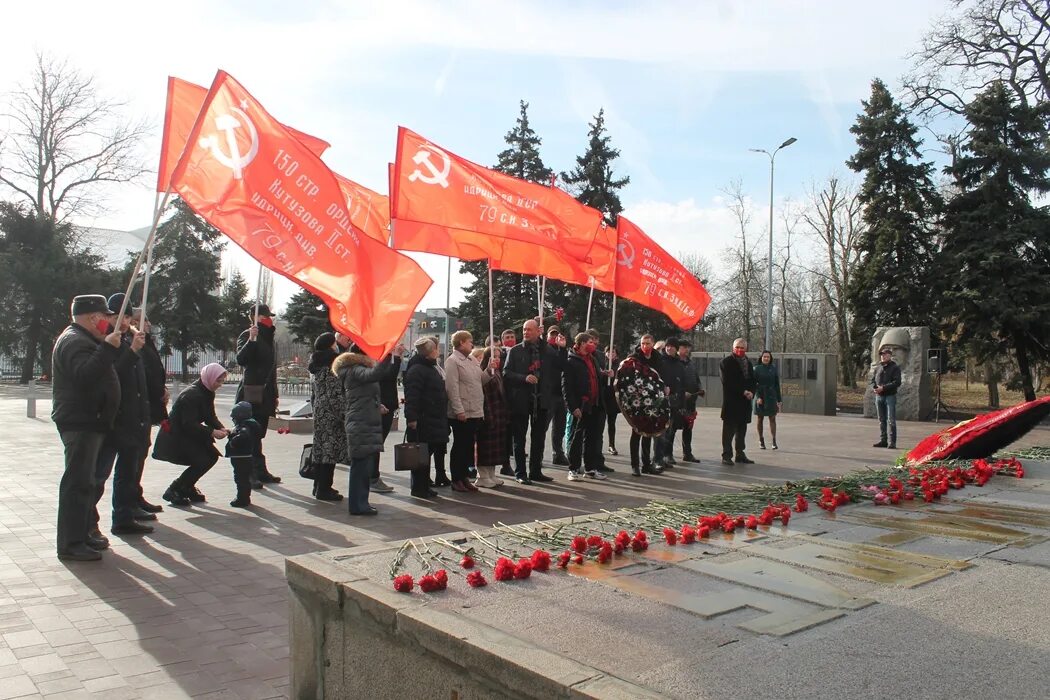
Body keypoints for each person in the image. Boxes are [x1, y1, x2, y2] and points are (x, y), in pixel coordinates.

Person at [52, 295, 122, 561]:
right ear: (93, 317)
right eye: (104, 316)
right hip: (80, 422)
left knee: (85, 484)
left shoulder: (85, 339)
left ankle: (81, 536)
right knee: (77, 484)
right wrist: (106, 349)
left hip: (90, 421)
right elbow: (84, 376)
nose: (107, 321)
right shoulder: (74, 341)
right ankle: (71, 544)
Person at [93, 293, 153, 538]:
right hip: (114, 418)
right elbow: (112, 374)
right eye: (120, 315)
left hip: (133, 417)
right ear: (109, 316)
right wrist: (132, 351)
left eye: (128, 315)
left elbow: (139, 383)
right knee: (99, 476)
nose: (126, 320)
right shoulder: (107, 340)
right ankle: (89, 523)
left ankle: (124, 516)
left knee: (129, 472)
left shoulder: (129, 339)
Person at [334, 343, 404, 515]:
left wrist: (376, 405)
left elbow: (362, 394)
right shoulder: (355, 369)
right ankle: (358, 505)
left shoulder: (354, 369)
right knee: (361, 466)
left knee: (364, 465)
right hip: (360, 421)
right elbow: (375, 374)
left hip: (363, 418)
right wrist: (387, 355)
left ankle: (361, 503)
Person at [154, 363, 230, 505]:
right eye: (218, 380)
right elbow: (188, 423)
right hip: (176, 438)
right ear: (209, 377)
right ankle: (174, 489)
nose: (220, 384)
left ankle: (187, 486)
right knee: (203, 459)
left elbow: (209, 415)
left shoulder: (206, 391)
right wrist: (212, 432)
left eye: (222, 381)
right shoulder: (192, 395)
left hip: (188, 435)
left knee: (211, 457)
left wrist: (221, 427)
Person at [504, 319, 563, 485]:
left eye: (530, 330)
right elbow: (506, 373)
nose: (526, 332)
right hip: (521, 401)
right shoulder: (515, 351)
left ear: (538, 331)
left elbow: (560, 364)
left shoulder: (546, 350)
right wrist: (523, 378)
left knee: (538, 438)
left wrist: (562, 348)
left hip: (541, 401)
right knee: (519, 439)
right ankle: (521, 473)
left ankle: (536, 471)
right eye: (524, 329)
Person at [234, 303, 281, 489]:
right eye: (268, 316)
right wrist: (251, 340)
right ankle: (250, 473)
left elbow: (272, 369)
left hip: (266, 391)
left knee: (259, 432)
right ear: (259, 317)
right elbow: (241, 359)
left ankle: (261, 470)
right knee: (249, 432)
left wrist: (275, 393)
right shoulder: (248, 335)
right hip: (251, 390)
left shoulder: (270, 338)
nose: (271, 319)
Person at [445, 331, 491, 493]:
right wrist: (459, 410)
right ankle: (456, 478)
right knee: (460, 446)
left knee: (468, 447)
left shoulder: (471, 359)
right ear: (462, 342)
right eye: (470, 341)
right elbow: (452, 388)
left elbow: (480, 380)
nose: (472, 344)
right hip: (463, 412)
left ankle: (464, 477)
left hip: (475, 410)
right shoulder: (452, 361)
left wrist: (489, 371)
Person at [403, 337, 448, 498]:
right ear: (429, 352)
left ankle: (423, 485)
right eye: (435, 349)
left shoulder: (429, 368)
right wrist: (412, 418)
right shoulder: (417, 370)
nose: (438, 352)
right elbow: (412, 396)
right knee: (420, 455)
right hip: (423, 419)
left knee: (426, 453)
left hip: (432, 418)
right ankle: (419, 487)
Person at [617, 334, 666, 476]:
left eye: (648, 343)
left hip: (652, 400)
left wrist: (665, 387)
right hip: (636, 400)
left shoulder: (657, 358)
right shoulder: (634, 358)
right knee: (636, 432)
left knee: (648, 432)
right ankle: (635, 465)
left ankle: (646, 464)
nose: (645, 346)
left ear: (653, 344)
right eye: (643, 343)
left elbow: (661, 376)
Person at [135, 309, 168, 514]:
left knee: (141, 453)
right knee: (134, 456)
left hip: (150, 404)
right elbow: (144, 373)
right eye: (144, 320)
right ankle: (130, 501)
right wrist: (157, 392)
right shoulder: (135, 344)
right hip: (141, 405)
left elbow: (155, 370)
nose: (148, 323)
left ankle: (135, 496)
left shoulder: (147, 342)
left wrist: (161, 390)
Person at [563, 333, 607, 481]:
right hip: (580, 406)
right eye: (590, 342)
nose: (593, 344)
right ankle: (573, 468)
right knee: (576, 438)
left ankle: (590, 469)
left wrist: (604, 374)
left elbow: (595, 377)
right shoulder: (570, 361)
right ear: (581, 343)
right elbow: (566, 387)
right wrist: (572, 407)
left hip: (594, 405)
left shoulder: (592, 359)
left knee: (592, 439)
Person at [307, 333, 345, 501]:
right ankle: (324, 489)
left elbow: (315, 392)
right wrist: (343, 414)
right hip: (331, 414)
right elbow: (335, 394)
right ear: (331, 345)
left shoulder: (315, 363)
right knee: (330, 452)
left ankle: (318, 486)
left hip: (320, 411)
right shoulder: (333, 365)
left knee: (321, 450)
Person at [475, 347, 509, 488]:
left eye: (498, 356)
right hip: (487, 413)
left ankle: (491, 474)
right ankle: (482, 476)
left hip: (498, 412)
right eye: (493, 356)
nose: (496, 359)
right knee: (485, 445)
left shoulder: (498, 373)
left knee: (496, 446)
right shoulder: (483, 372)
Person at [720, 338, 756, 466]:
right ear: (733, 348)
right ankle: (726, 455)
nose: (740, 350)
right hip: (732, 402)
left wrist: (752, 391)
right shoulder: (726, 362)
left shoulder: (748, 363)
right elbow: (727, 382)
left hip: (745, 403)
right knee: (728, 431)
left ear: (746, 349)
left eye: (742, 347)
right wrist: (743, 391)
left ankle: (740, 454)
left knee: (742, 430)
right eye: (737, 347)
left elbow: (752, 380)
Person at [587, 328, 616, 472]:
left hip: (600, 399)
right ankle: (585, 463)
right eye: (590, 339)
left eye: (595, 340)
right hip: (587, 400)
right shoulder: (580, 355)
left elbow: (602, 377)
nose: (593, 342)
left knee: (599, 433)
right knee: (585, 434)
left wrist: (607, 374)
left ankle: (599, 461)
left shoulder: (600, 356)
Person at [372, 345, 401, 494]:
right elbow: (388, 376)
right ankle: (372, 477)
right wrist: (395, 357)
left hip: (386, 405)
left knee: (377, 444)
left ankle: (372, 476)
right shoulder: (374, 363)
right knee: (375, 444)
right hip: (381, 406)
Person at [226, 401, 263, 507]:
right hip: (246, 456)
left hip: (240, 457)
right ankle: (244, 497)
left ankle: (242, 499)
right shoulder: (251, 424)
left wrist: (233, 441)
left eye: (233, 418)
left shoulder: (244, 427)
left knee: (240, 479)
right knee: (245, 478)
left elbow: (243, 436)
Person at [656, 337, 685, 468]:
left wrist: (681, 403)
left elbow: (682, 384)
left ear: (676, 349)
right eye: (667, 346)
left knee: (671, 430)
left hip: (674, 402)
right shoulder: (660, 361)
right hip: (661, 400)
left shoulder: (679, 364)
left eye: (672, 346)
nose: (669, 348)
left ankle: (668, 454)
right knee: (661, 431)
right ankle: (658, 457)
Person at [545, 326, 569, 467]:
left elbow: (563, 366)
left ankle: (558, 453)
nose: (554, 337)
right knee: (543, 427)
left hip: (561, 393)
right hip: (549, 394)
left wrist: (562, 348)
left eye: (557, 335)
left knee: (559, 428)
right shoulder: (546, 349)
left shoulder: (562, 350)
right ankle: (538, 456)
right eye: (552, 335)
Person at [677, 339, 703, 462]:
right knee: (672, 428)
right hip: (677, 401)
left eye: (688, 347)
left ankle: (687, 453)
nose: (686, 350)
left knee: (688, 428)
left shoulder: (691, 363)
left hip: (691, 401)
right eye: (683, 347)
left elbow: (696, 378)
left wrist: (700, 389)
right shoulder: (675, 363)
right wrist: (682, 393)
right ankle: (667, 455)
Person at [872, 347, 902, 448]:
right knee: (881, 419)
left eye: (885, 354)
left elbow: (897, 382)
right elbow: (873, 380)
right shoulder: (878, 368)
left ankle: (892, 442)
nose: (883, 356)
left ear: (890, 355)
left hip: (890, 396)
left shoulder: (895, 368)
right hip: (879, 397)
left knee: (891, 419)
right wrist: (875, 387)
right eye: (881, 354)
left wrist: (883, 388)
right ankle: (883, 440)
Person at [754, 350, 783, 450]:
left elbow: (777, 385)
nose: (766, 358)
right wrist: (758, 397)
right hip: (760, 396)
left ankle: (774, 441)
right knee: (760, 418)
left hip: (771, 396)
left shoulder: (773, 368)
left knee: (772, 418)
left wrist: (779, 400)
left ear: (770, 358)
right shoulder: (756, 369)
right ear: (761, 358)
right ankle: (761, 440)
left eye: (768, 357)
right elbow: (754, 385)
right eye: (764, 357)